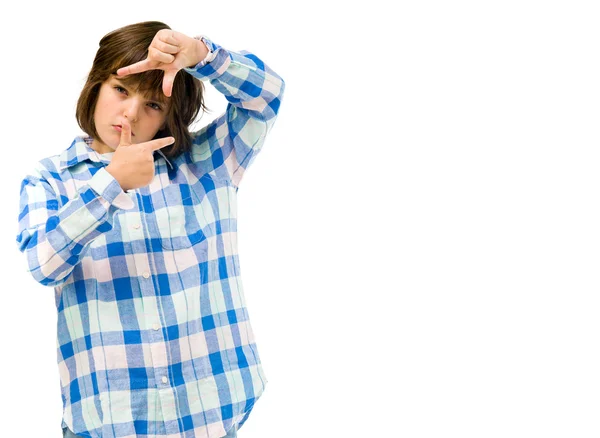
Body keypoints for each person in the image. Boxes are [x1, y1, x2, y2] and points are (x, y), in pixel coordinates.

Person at [15, 21, 285, 438]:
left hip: (211, 414)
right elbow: (44, 264)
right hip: (110, 422)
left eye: (153, 105)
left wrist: (201, 55)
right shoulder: (51, 179)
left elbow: (267, 97)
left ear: (168, 116)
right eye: (120, 90)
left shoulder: (207, 162)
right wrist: (110, 184)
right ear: (95, 86)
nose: (131, 114)